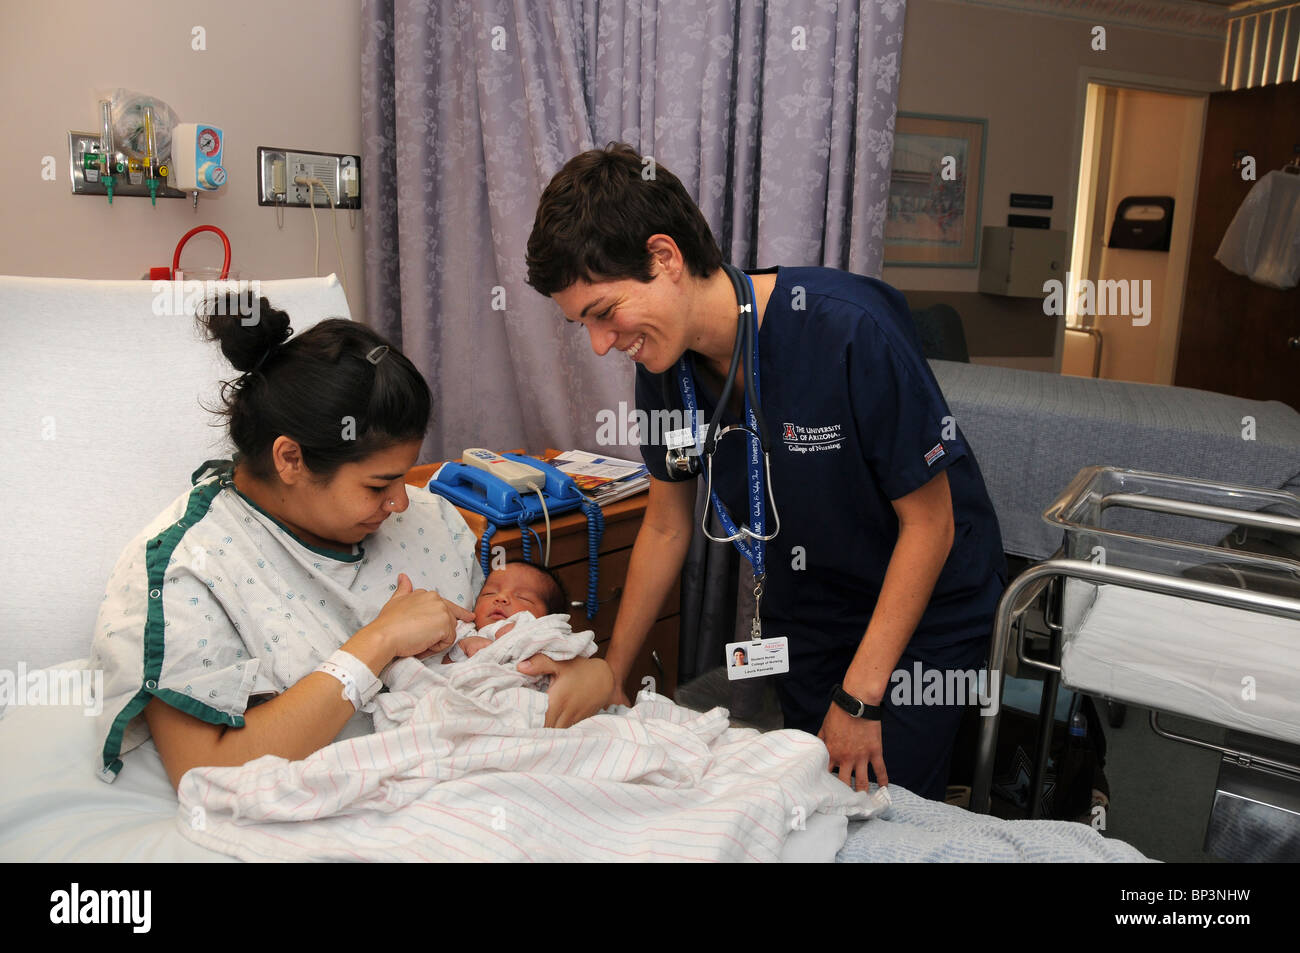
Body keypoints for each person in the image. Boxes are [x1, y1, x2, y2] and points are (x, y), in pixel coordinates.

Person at [525, 143, 1006, 801]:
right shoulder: (668, 371)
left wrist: (863, 698)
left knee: (881, 807)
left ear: (665, 258)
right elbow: (667, 528)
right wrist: (613, 670)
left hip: (924, 609)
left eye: (603, 312)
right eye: (584, 324)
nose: (602, 344)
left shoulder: (847, 328)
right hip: (811, 607)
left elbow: (931, 523)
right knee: (815, 800)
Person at [90, 295, 613, 790]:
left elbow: (499, 654)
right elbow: (208, 768)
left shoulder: (433, 521)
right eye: (378, 485)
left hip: (501, 766)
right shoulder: (190, 569)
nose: (403, 503)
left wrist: (591, 674)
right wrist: (377, 642)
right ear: (290, 459)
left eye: (403, 477)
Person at [440, 561, 569, 662]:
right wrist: (460, 649)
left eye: (522, 597)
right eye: (489, 593)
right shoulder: (461, 632)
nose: (501, 598)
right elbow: (438, 675)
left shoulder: (547, 638)